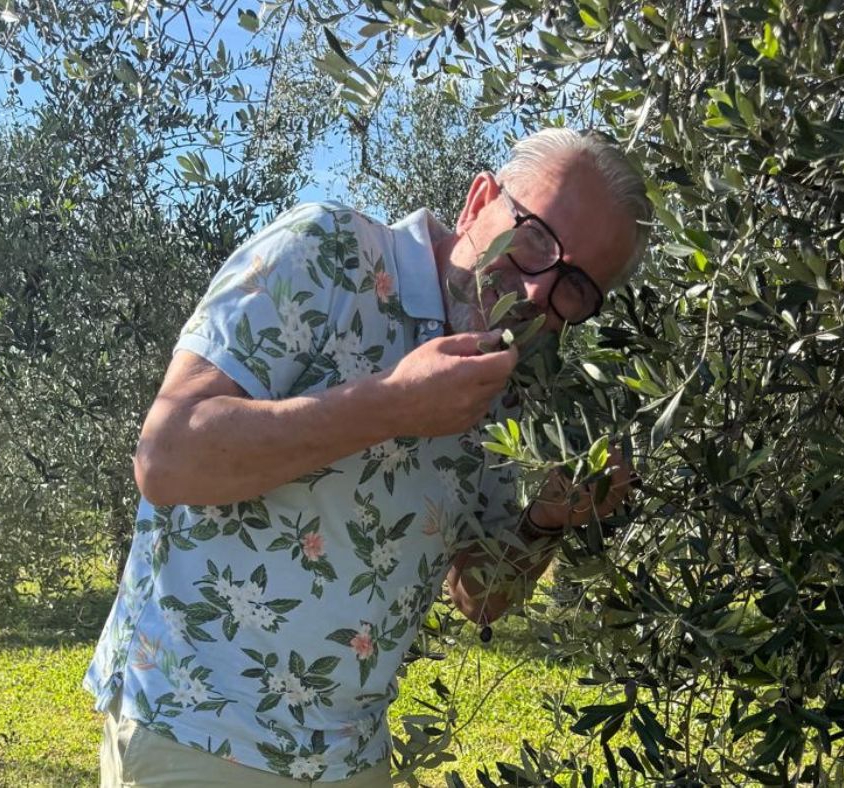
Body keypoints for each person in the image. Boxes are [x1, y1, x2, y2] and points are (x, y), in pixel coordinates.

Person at [86, 127, 652, 787]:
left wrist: (546, 521)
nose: (536, 292)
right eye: (534, 239)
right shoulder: (328, 252)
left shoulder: (503, 382)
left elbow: (478, 595)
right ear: (478, 201)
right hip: (197, 736)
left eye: (575, 287)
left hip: (350, 761)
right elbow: (169, 456)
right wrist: (390, 405)